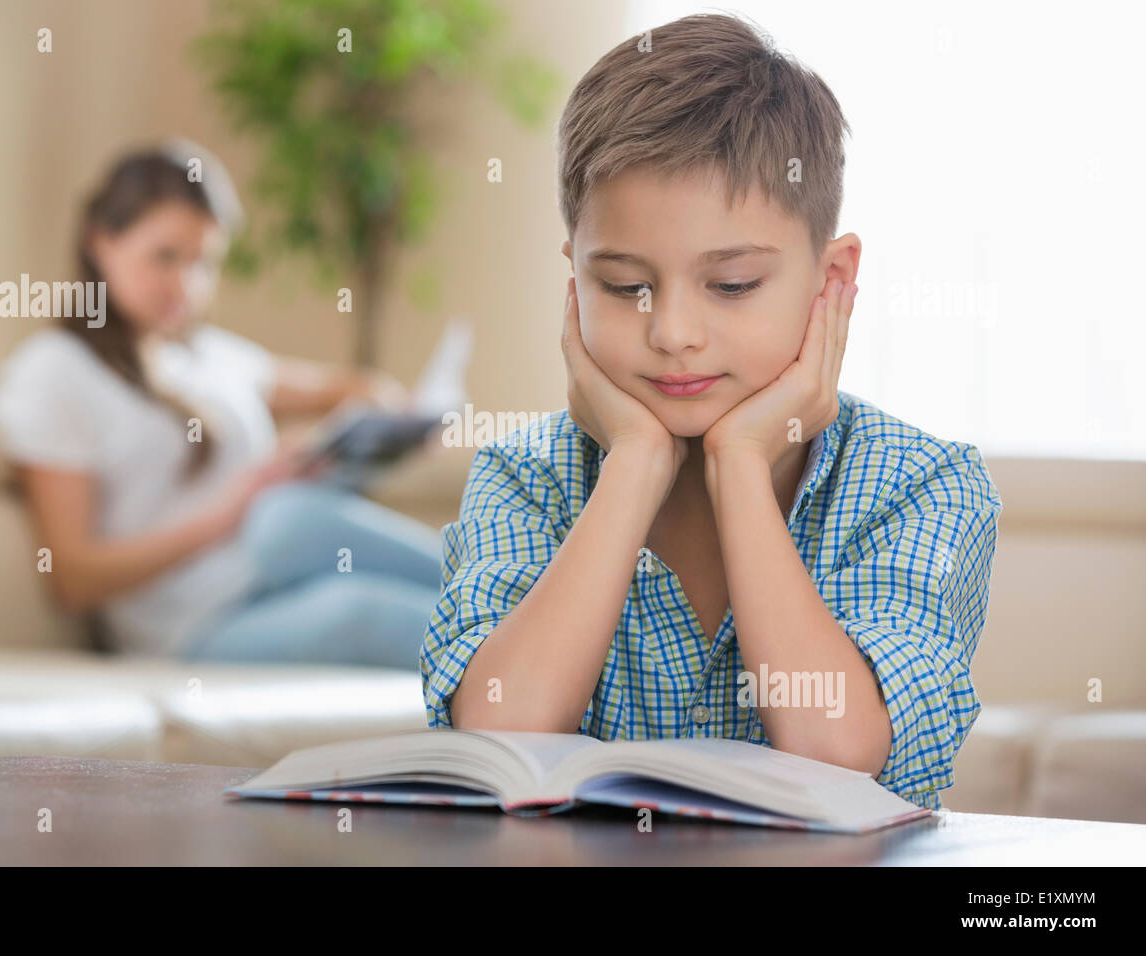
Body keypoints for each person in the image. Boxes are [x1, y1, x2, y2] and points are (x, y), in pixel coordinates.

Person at [420, 13, 1003, 811]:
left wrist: (739, 465)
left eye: (731, 286)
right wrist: (633, 462)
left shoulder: (923, 486)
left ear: (832, 279)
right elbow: (501, 734)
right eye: (625, 286)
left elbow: (837, 751)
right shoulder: (523, 478)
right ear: (574, 279)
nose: (673, 333)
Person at [0, 140, 442, 668]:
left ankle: (521, 609)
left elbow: (341, 388)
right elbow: (72, 579)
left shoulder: (210, 356)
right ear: (100, 241)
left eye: (204, 263)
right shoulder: (54, 371)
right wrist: (234, 506)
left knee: (289, 519)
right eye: (165, 257)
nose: (186, 283)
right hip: (193, 626)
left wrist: (397, 417)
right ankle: (529, 622)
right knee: (333, 583)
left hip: (276, 573)